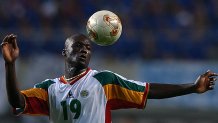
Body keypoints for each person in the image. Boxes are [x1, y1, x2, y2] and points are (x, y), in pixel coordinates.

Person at [1, 33, 217, 123]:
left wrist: (192, 87)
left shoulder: (103, 80)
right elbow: (17, 102)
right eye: (77, 46)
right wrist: (10, 65)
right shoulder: (49, 88)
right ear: (64, 53)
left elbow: (148, 90)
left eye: (88, 47)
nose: (84, 50)